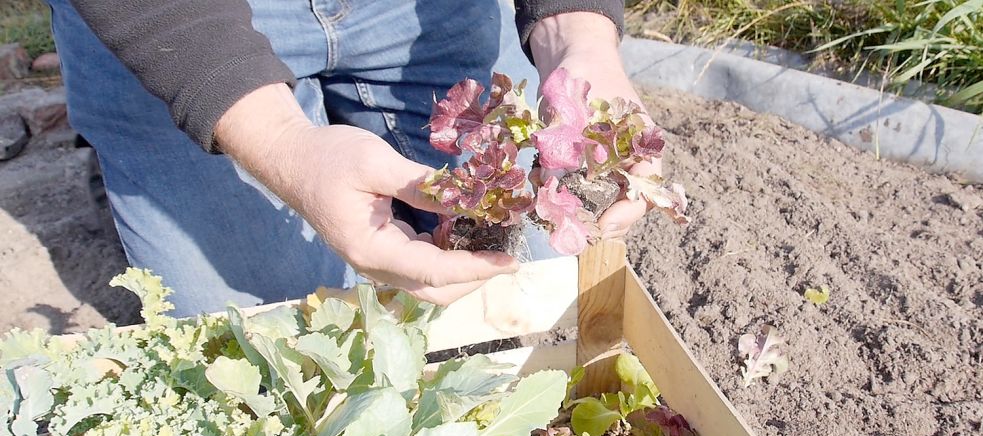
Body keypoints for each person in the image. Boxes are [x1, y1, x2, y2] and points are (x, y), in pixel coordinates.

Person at [50, 0, 661, 316]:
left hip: (423, 13)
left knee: (522, 292)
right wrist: (280, 144)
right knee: (264, 347)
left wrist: (576, 31)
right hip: (175, 23)